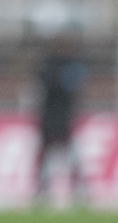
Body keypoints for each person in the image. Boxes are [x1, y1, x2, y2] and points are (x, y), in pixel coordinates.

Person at [34, 37, 88, 206]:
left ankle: (45, 190)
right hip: (59, 116)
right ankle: (73, 190)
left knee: (56, 155)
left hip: (52, 116)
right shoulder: (68, 67)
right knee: (62, 155)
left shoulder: (46, 67)